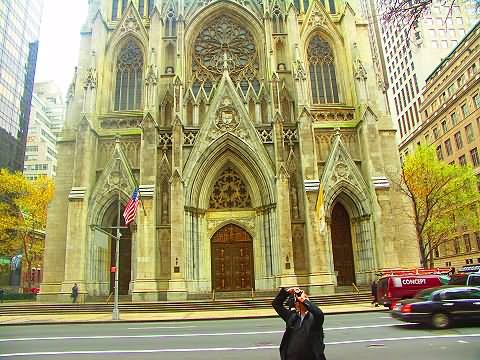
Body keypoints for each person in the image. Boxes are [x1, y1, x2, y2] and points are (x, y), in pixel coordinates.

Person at [272, 287, 326, 360]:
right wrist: (287, 292)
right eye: (299, 299)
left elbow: (319, 314)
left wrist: (304, 300)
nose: (302, 299)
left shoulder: (314, 319)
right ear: (296, 304)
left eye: (306, 298)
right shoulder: (292, 317)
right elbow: (276, 304)